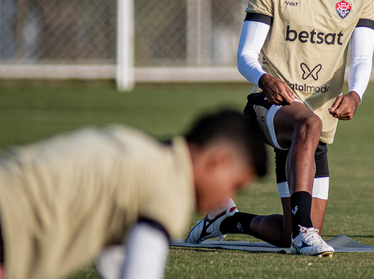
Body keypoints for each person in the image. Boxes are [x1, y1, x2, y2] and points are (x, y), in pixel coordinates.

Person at [186, 0, 374, 257]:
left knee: (288, 233)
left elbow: (362, 56)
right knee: (308, 128)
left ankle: (226, 220)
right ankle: (306, 232)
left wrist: (356, 93)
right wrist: (263, 79)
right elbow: (245, 54)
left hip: (315, 124)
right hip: (270, 107)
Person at [0, 110, 266, 279]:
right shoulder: (170, 185)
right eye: (235, 186)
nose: (227, 197)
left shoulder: (146, 153)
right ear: (218, 161)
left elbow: (115, 261)